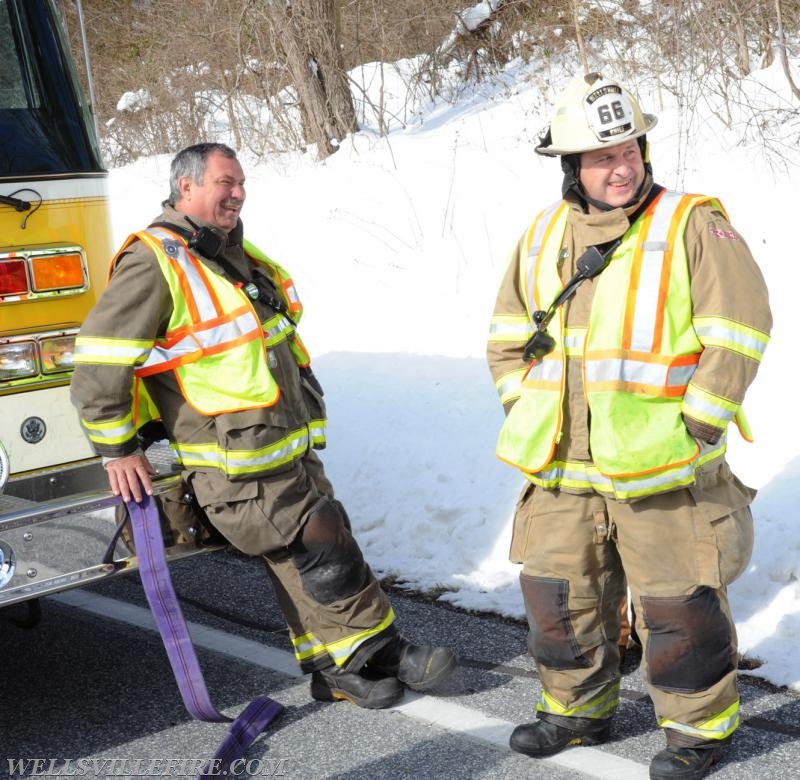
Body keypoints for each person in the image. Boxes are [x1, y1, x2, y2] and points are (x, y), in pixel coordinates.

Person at [71, 142, 457, 710]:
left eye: (242, 182)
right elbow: (101, 359)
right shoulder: (155, 259)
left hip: (281, 444)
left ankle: (335, 668)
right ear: (186, 188)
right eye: (226, 182)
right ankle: (385, 650)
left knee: (299, 550)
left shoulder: (224, 254)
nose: (238, 193)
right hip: (233, 459)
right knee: (318, 542)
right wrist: (117, 449)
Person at [486, 73, 771, 780]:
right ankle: (576, 710)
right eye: (602, 157)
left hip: (663, 467)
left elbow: (739, 329)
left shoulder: (691, 223)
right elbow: (506, 334)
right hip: (560, 469)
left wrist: (697, 427)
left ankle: (698, 731)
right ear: (571, 167)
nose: (622, 167)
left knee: (678, 608)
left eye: (630, 150)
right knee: (561, 599)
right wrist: (526, 407)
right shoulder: (542, 233)